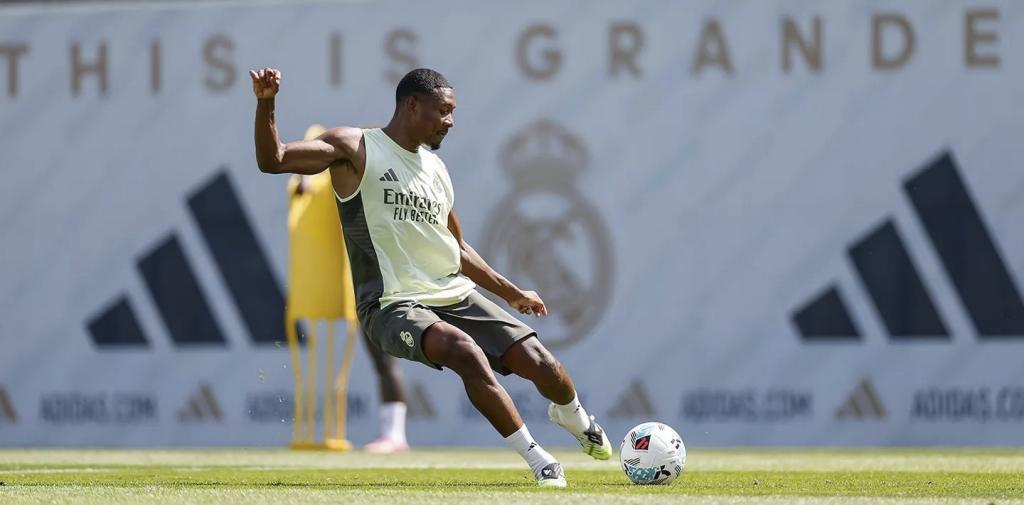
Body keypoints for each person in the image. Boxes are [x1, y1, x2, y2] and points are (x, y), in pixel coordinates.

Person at [251, 66, 610, 487]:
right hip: (390, 304)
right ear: (412, 105)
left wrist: (511, 292)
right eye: (443, 110)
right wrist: (266, 103)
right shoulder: (355, 147)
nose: (450, 121)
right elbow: (273, 160)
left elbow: (456, 248)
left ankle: (574, 418)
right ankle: (538, 459)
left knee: (541, 363)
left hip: (452, 294)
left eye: (452, 112)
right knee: (463, 351)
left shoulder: (436, 169)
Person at [292, 171, 411, 454]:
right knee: (382, 361)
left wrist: (307, 180)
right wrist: (305, 179)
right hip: (362, 287)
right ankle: (394, 435)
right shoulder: (339, 182)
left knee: (386, 360)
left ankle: (395, 435)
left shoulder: (369, 181)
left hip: (382, 285)